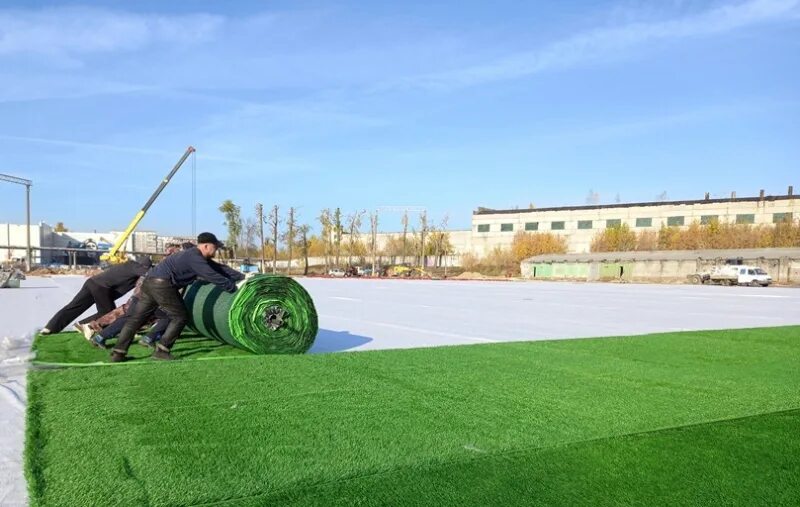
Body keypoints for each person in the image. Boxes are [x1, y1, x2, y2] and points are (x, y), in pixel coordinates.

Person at [109, 232, 244, 362]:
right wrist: (232, 288)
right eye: (215, 247)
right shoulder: (195, 257)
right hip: (162, 284)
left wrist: (242, 277)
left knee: (137, 319)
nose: (215, 251)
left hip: (149, 282)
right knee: (180, 317)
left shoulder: (194, 255)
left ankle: (118, 353)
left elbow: (220, 268)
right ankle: (162, 350)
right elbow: (211, 274)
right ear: (206, 246)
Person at [41, 256, 152, 334]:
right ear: (144, 265)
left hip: (92, 283)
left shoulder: (129, 266)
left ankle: (50, 327)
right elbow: (148, 273)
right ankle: (83, 325)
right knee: (108, 312)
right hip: (101, 287)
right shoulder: (134, 266)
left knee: (74, 306)